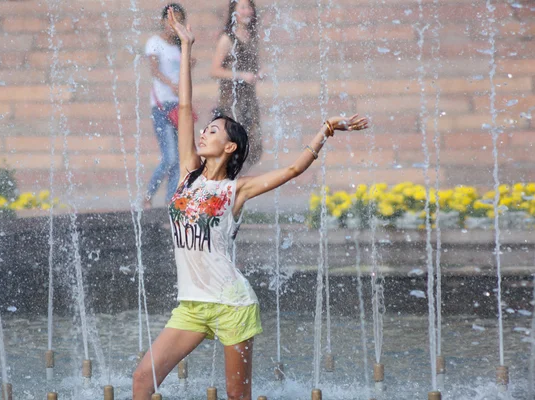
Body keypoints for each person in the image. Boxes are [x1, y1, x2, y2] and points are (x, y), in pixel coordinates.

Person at [132, 7, 369, 400]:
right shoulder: (188, 173)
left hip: (232, 305)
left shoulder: (235, 191)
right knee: (143, 380)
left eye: (213, 131)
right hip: (191, 306)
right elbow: (187, 108)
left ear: (228, 147)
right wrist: (188, 45)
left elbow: (293, 169)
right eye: (204, 130)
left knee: (237, 397)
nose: (204, 133)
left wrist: (326, 129)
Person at [210, 0, 263, 172]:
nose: (247, 11)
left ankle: (233, 184)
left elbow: (251, 68)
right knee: (234, 149)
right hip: (231, 104)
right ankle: (228, 188)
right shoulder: (227, 38)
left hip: (249, 102)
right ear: (234, 12)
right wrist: (240, 75)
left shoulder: (251, 36)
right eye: (243, 8)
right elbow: (215, 71)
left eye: (250, 8)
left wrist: (259, 73)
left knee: (254, 149)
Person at [144, 3, 187, 208]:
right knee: (169, 156)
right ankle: (148, 195)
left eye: (178, 20)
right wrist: (172, 85)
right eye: (171, 20)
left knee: (178, 159)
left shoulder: (180, 44)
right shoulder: (155, 42)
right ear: (163, 21)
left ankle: (171, 202)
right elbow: (154, 70)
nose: (174, 24)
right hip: (162, 104)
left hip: (179, 105)